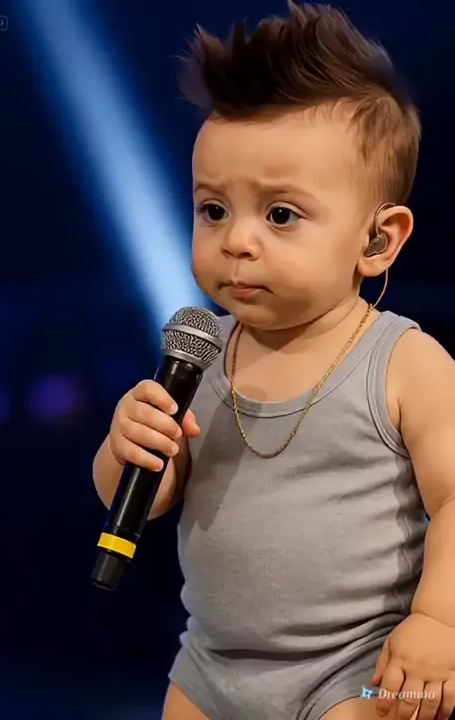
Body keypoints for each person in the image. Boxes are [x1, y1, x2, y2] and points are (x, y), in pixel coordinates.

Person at [93, 2, 455, 718]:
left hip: (353, 666)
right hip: (210, 662)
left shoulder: (405, 364)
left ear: (378, 241)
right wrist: (124, 448)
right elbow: (147, 496)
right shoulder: (200, 357)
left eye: (280, 214)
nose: (236, 241)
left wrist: (439, 621)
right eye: (213, 210)